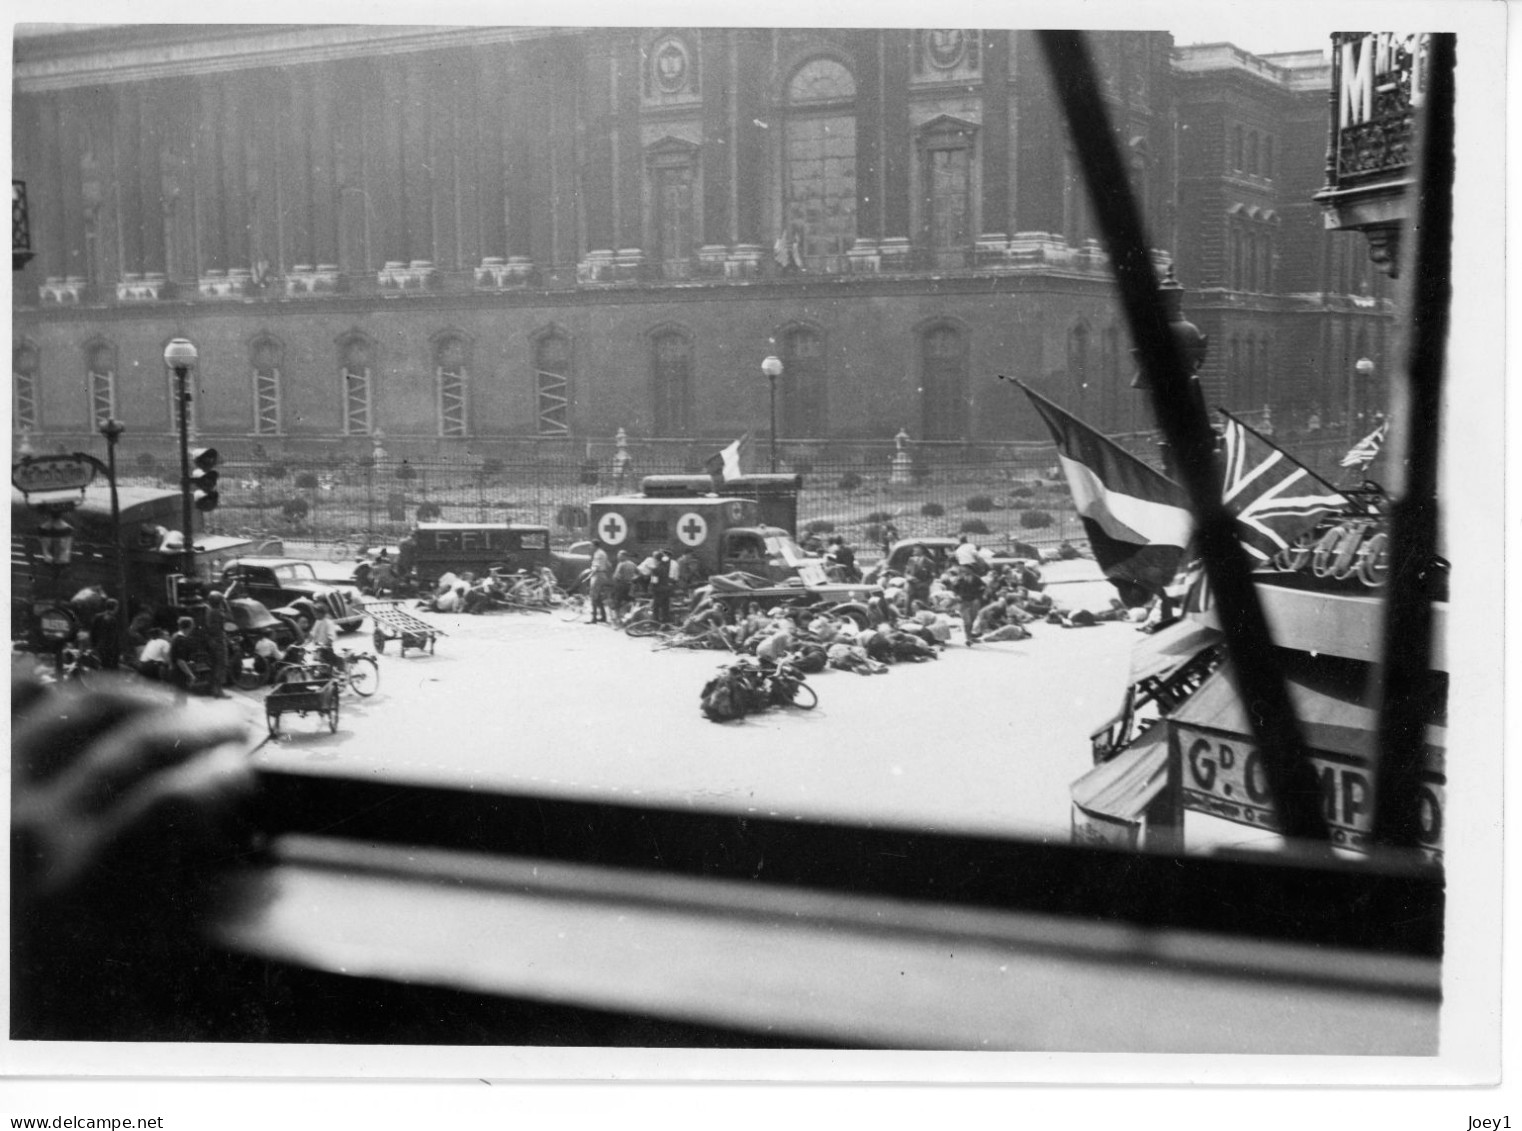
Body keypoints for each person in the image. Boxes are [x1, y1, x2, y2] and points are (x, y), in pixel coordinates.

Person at [202, 591, 234, 698]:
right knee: (222, 665)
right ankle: (219, 691)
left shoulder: (209, 610)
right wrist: (226, 603)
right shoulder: (218, 613)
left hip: (211, 641)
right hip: (219, 641)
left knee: (215, 665)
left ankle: (214, 689)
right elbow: (230, 617)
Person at [947, 565, 987, 644]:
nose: (964, 570)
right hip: (963, 601)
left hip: (974, 601)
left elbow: (983, 587)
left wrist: (978, 597)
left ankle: (969, 635)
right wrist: (957, 595)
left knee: (972, 619)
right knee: (967, 620)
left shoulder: (976, 578)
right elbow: (954, 588)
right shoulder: (960, 578)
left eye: (966, 569)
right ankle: (968, 638)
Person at [169, 616, 200, 698]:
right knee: (181, 698)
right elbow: (180, 661)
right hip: (179, 673)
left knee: (178, 696)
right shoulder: (181, 640)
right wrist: (190, 674)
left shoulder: (175, 636)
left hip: (174, 670)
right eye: (192, 625)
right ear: (189, 626)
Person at [89, 598, 122, 670]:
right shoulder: (112, 619)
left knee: (100, 668)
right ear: (115, 607)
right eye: (117, 606)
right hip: (109, 650)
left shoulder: (97, 616)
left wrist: (93, 645)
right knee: (110, 670)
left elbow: (92, 632)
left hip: (98, 647)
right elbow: (113, 637)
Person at [307, 602, 340, 670]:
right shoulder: (317, 621)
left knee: (327, 665)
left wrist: (326, 644)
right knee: (316, 664)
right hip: (317, 648)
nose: (314, 615)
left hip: (326, 649)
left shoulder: (329, 623)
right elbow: (313, 633)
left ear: (321, 613)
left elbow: (331, 637)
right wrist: (306, 642)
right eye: (314, 613)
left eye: (316, 613)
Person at [610, 550, 639, 626]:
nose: (618, 557)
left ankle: (618, 619)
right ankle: (626, 617)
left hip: (621, 585)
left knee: (617, 601)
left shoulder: (621, 564)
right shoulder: (633, 564)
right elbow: (639, 573)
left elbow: (616, 576)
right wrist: (633, 579)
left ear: (624, 556)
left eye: (619, 555)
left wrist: (615, 582)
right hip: (629, 585)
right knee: (628, 601)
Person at [650, 549, 677, 625]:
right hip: (666, 590)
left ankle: (655, 623)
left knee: (656, 608)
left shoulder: (655, 569)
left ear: (655, 559)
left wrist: (652, 589)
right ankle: (666, 623)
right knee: (665, 607)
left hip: (658, 591)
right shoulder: (665, 568)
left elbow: (654, 582)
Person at [588, 545, 612, 624]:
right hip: (603, 575)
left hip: (597, 575)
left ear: (594, 545)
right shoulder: (603, 553)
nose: (590, 547)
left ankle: (594, 618)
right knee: (598, 598)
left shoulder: (597, 554)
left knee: (593, 597)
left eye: (591, 546)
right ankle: (603, 617)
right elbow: (609, 565)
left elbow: (596, 566)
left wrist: (591, 575)